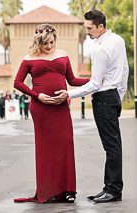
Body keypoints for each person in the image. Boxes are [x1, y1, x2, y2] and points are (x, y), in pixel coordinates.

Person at [12, 23, 89, 203]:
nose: (48, 47)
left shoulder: (63, 55)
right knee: (46, 149)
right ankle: (49, 191)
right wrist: (38, 96)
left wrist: (94, 81)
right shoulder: (29, 58)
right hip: (41, 108)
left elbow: (72, 80)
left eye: (51, 43)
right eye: (45, 44)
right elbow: (17, 82)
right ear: (38, 41)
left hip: (61, 107)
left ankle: (68, 190)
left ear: (55, 39)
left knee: (65, 144)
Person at [68, 9, 129, 204]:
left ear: (100, 26)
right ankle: (109, 188)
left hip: (103, 99)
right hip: (112, 97)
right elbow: (125, 70)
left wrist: (69, 94)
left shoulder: (100, 49)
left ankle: (113, 190)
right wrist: (118, 96)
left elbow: (95, 83)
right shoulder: (118, 41)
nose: (87, 31)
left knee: (111, 146)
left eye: (90, 28)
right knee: (113, 145)